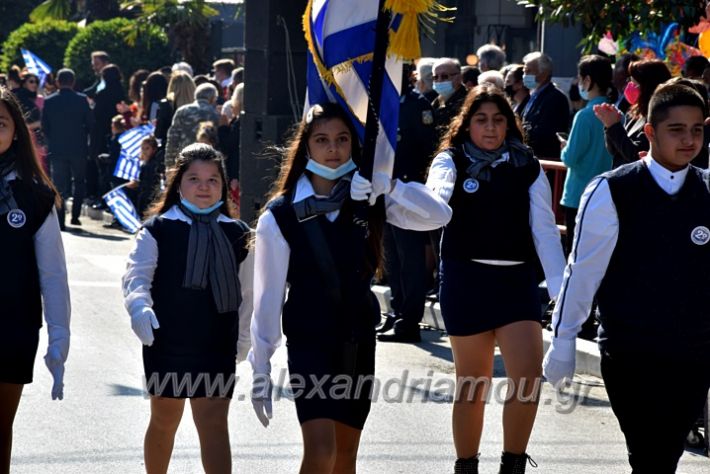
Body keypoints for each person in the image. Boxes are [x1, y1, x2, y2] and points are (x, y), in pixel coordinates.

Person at [248, 103, 451, 473]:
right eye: (322, 140)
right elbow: (267, 297)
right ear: (305, 146)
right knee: (321, 450)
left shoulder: (369, 197)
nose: (333, 149)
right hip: (310, 339)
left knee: (344, 457)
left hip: (357, 338)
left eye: (342, 139)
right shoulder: (279, 215)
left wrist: (387, 185)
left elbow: (439, 215)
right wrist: (260, 365)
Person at [543, 83, 710, 474]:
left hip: (694, 351)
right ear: (649, 132)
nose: (689, 140)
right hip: (631, 350)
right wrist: (563, 339)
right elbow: (582, 272)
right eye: (677, 130)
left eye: (697, 130)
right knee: (650, 455)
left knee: (665, 454)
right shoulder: (612, 190)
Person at [427, 85, 565, 473]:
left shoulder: (527, 164)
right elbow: (436, 203)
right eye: (481, 119)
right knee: (472, 386)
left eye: (499, 119)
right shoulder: (449, 161)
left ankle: (513, 464)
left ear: (509, 124)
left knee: (527, 381)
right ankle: (466, 465)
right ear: (466, 124)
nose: (490, 127)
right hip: (466, 280)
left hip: (516, 284)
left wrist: (561, 294)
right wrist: (412, 201)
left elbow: (544, 231)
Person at [122, 143, 254, 474]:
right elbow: (136, 277)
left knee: (213, 423)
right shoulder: (158, 229)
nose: (204, 187)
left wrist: (244, 340)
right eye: (194, 178)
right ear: (177, 183)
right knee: (164, 419)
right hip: (168, 340)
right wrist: (139, 309)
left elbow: (250, 293)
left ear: (224, 185)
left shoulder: (239, 234)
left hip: (217, 342)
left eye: (213, 179)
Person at [0, 86, 70, 472]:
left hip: (13, 327)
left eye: (0, 123)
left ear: (16, 132)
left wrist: (60, 336)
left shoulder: (36, 195)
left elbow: (54, 274)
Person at [378, 66, 437, 343]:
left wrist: (416, 191)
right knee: (392, 256)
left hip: (407, 191)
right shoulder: (379, 101)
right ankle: (397, 311)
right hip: (384, 192)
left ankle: (409, 320)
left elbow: (428, 149)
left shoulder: (417, 105)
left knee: (410, 258)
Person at [559, 55, 614, 253]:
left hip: (579, 193)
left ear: (588, 80)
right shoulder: (617, 113)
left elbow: (570, 158)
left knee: (576, 253)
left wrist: (564, 147)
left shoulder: (584, 116)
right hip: (606, 193)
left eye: (580, 77)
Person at [41, 68, 94, 229]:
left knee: (59, 185)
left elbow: (45, 127)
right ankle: (76, 216)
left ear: (57, 81)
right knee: (79, 182)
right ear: (73, 82)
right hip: (78, 148)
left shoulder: (49, 101)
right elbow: (91, 124)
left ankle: (61, 219)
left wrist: (52, 140)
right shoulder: (82, 100)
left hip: (57, 149)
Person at [594, 59, 671, 168]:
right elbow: (616, 151)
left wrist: (614, 126)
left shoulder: (658, 117)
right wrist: (610, 124)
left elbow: (636, 156)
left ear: (647, 85)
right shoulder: (636, 113)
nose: (629, 86)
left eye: (634, 82)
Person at [521, 52, 570, 160]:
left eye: (529, 71)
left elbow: (546, 133)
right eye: (524, 71)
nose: (525, 75)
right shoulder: (532, 96)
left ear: (544, 74)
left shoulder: (556, 98)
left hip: (545, 160)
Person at [164, 83, 220, 169]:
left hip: (183, 162)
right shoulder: (215, 114)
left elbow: (172, 140)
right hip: (206, 163)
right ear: (212, 98)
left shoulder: (182, 111)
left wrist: (169, 165)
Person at [432, 58, 468, 138]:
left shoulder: (467, 101)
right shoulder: (436, 102)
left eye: (445, 76)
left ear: (459, 77)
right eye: (435, 77)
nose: (439, 80)